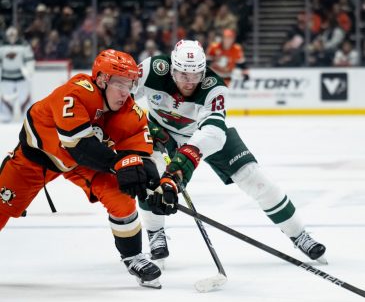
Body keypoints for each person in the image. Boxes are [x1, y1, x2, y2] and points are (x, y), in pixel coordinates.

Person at [134, 39, 326, 265]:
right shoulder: (152, 69)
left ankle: (298, 233)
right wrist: (139, 123)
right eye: (183, 75)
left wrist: (183, 163)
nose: (189, 82)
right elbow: (123, 101)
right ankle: (156, 233)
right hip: (158, 131)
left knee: (254, 177)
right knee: (150, 176)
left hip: (202, 134)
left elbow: (213, 133)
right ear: (172, 68)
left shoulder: (214, 87)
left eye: (196, 75)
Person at [0, 49, 177, 289]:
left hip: (83, 163)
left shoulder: (129, 111)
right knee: (2, 206)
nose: (126, 92)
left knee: (122, 199)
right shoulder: (75, 92)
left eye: (130, 84)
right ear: (102, 79)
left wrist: (153, 184)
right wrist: (118, 164)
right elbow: (78, 145)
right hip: (37, 159)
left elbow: (140, 155)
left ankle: (133, 257)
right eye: (120, 83)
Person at [0, 26, 35, 122]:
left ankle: (28, 118)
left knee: (24, 99)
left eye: (13, 35)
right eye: (10, 35)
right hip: (6, 77)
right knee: (6, 100)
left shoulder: (24, 45)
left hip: (21, 77)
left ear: (17, 35)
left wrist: (29, 70)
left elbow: (29, 59)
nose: (12, 36)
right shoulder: (2, 46)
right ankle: (5, 117)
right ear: (6, 35)